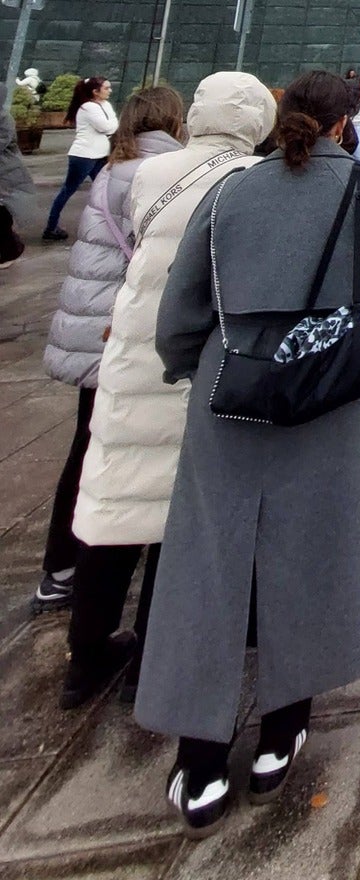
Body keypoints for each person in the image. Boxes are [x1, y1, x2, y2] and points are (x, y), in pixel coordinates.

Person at [137, 70, 360, 837]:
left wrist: (195, 367)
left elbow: (178, 316)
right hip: (319, 391)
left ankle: (198, 759)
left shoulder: (228, 191)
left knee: (207, 562)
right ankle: (281, 730)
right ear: (341, 127)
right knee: (308, 552)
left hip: (228, 390)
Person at [65, 73, 276, 709]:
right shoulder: (250, 182)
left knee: (119, 500)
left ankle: (86, 652)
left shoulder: (143, 174)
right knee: (179, 508)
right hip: (197, 357)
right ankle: (154, 653)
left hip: (133, 355)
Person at [34, 86, 185, 636]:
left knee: (88, 449)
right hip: (125, 333)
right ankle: (105, 585)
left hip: (89, 330)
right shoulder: (165, 170)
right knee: (127, 461)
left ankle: (61, 567)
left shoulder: (112, 168)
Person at [41, 77, 118, 241]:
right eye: (106, 88)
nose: (109, 91)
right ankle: (51, 227)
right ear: (95, 91)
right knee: (68, 190)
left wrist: (111, 121)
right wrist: (112, 123)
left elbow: (112, 125)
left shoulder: (103, 105)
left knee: (105, 190)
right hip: (83, 156)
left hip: (99, 155)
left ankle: (109, 226)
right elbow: (107, 127)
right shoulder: (88, 107)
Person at [0, 95, 32, 267]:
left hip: (5, 172)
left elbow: (3, 142)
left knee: (3, 215)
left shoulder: (4, 118)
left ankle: (11, 250)